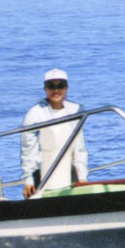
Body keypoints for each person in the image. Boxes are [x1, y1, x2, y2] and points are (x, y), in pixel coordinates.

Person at [21, 68, 87, 198]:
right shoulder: (34, 114)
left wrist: (82, 178)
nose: (56, 91)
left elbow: (79, 148)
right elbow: (28, 150)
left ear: (66, 88)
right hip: (43, 173)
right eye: (51, 86)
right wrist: (28, 180)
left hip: (69, 172)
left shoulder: (75, 111)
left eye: (60, 86)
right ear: (45, 89)